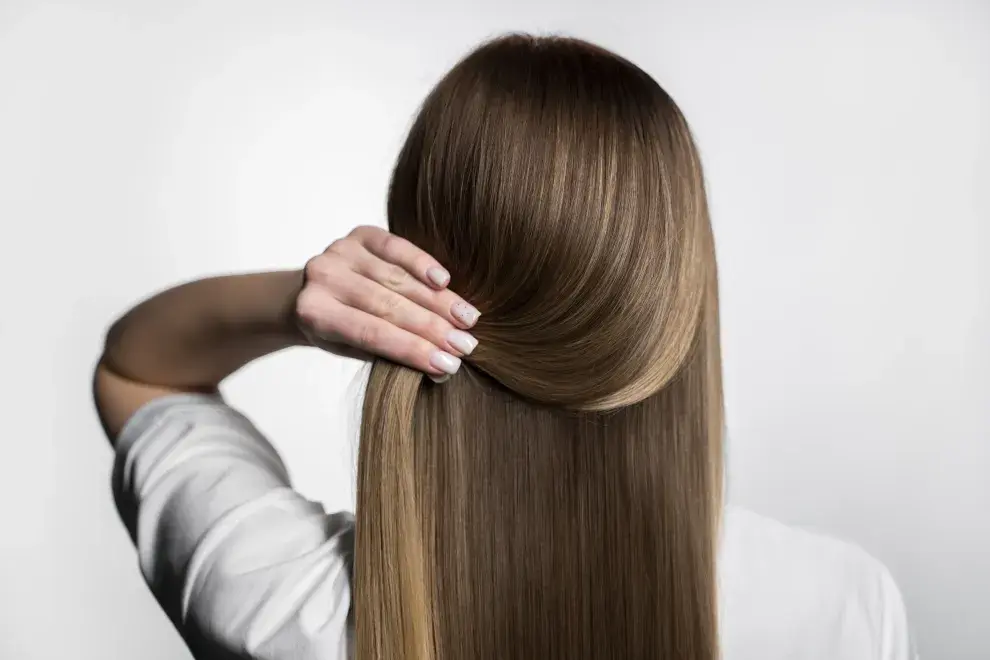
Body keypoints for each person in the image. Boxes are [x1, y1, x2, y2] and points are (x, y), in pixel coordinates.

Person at [93, 34, 916, 660]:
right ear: (678, 299)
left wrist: (299, 302)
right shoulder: (844, 609)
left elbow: (138, 370)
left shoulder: (287, 604)